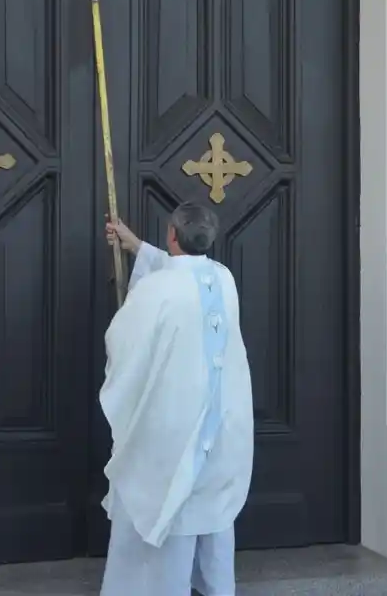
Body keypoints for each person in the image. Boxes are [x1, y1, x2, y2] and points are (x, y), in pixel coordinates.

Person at [99, 204, 254, 596]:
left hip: (172, 430)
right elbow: (184, 275)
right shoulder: (223, 279)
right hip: (221, 429)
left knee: (166, 510)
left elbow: (122, 343)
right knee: (209, 513)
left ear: (172, 234)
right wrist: (137, 247)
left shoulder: (155, 289)